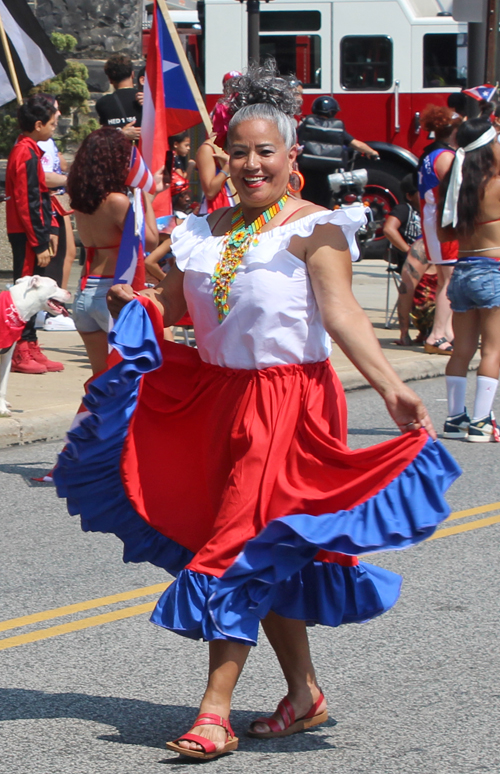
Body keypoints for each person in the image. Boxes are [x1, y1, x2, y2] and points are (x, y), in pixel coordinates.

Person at [54, 61, 459, 762]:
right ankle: (304, 693)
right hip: (215, 399)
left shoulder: (316, 229)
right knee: (263, 550)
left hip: (289, 403)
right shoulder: (199, 231)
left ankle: (214, 710)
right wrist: (137, 304)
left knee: (238, 546)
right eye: (237, 151)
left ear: (291, 156)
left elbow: (341, 315)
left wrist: (391, 385)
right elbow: (175, 311)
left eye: (264, 151)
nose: (248, 164)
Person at [67, 127, 158, 375]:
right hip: (113, 294)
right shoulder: (117, 201)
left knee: (100, 380)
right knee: (129, 380)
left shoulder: (81, 200)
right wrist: (146, 197)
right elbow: (149, 241)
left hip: (85, 294)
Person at [440, 118, 500, 442]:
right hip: (493, 271)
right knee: (493, 351)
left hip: (462, 270)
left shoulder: (455, 185)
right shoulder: (497, 184)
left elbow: (443, 232)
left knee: (461, 349)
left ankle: (454, 418)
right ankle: (481, 422)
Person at [5, 94, 64, 374]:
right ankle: (19, 348)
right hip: (26, 233)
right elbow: (27, 201)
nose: (54, 129)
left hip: (31, 231)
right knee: (27, 291)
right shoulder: (25, 153)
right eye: (52, 124)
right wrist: (38, 240)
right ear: (38, 124)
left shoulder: (29, 150)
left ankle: (30, 342)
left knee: (34, 289)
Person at [417, 105, 462, 354]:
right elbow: (456, 191)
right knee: (449, 279)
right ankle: (437, 335)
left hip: (432, 219)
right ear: (452, 131)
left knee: (445, 278)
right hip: (443, 222)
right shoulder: (446, 157)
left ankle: (447, 331)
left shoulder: (429, 154)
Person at [37, 96, 77, 330]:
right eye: (55, 110)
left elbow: (60, 165)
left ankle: (55, 306)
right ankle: (51, 310)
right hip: (49, 201)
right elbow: (45, 176)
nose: (59, 115)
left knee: (68, 252)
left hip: (59, 201)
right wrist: (72, 180)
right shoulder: (38, 143)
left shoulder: (49, 141)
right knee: (56, 254)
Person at [297, 95, 380, 208]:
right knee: (324, 202)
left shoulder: (306, 123)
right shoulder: (337, 127)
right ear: (333, 111)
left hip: (307, 170)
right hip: (327, 171)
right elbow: (355, 143)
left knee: (307, 199)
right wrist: (372, 152)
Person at [95, 54, 142, 141]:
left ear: (110, 79)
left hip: (118, 153)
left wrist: (120, 134)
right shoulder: (145, 99)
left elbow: (104, 136)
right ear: (132, 74)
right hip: (145, 153)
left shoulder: (103, 103)